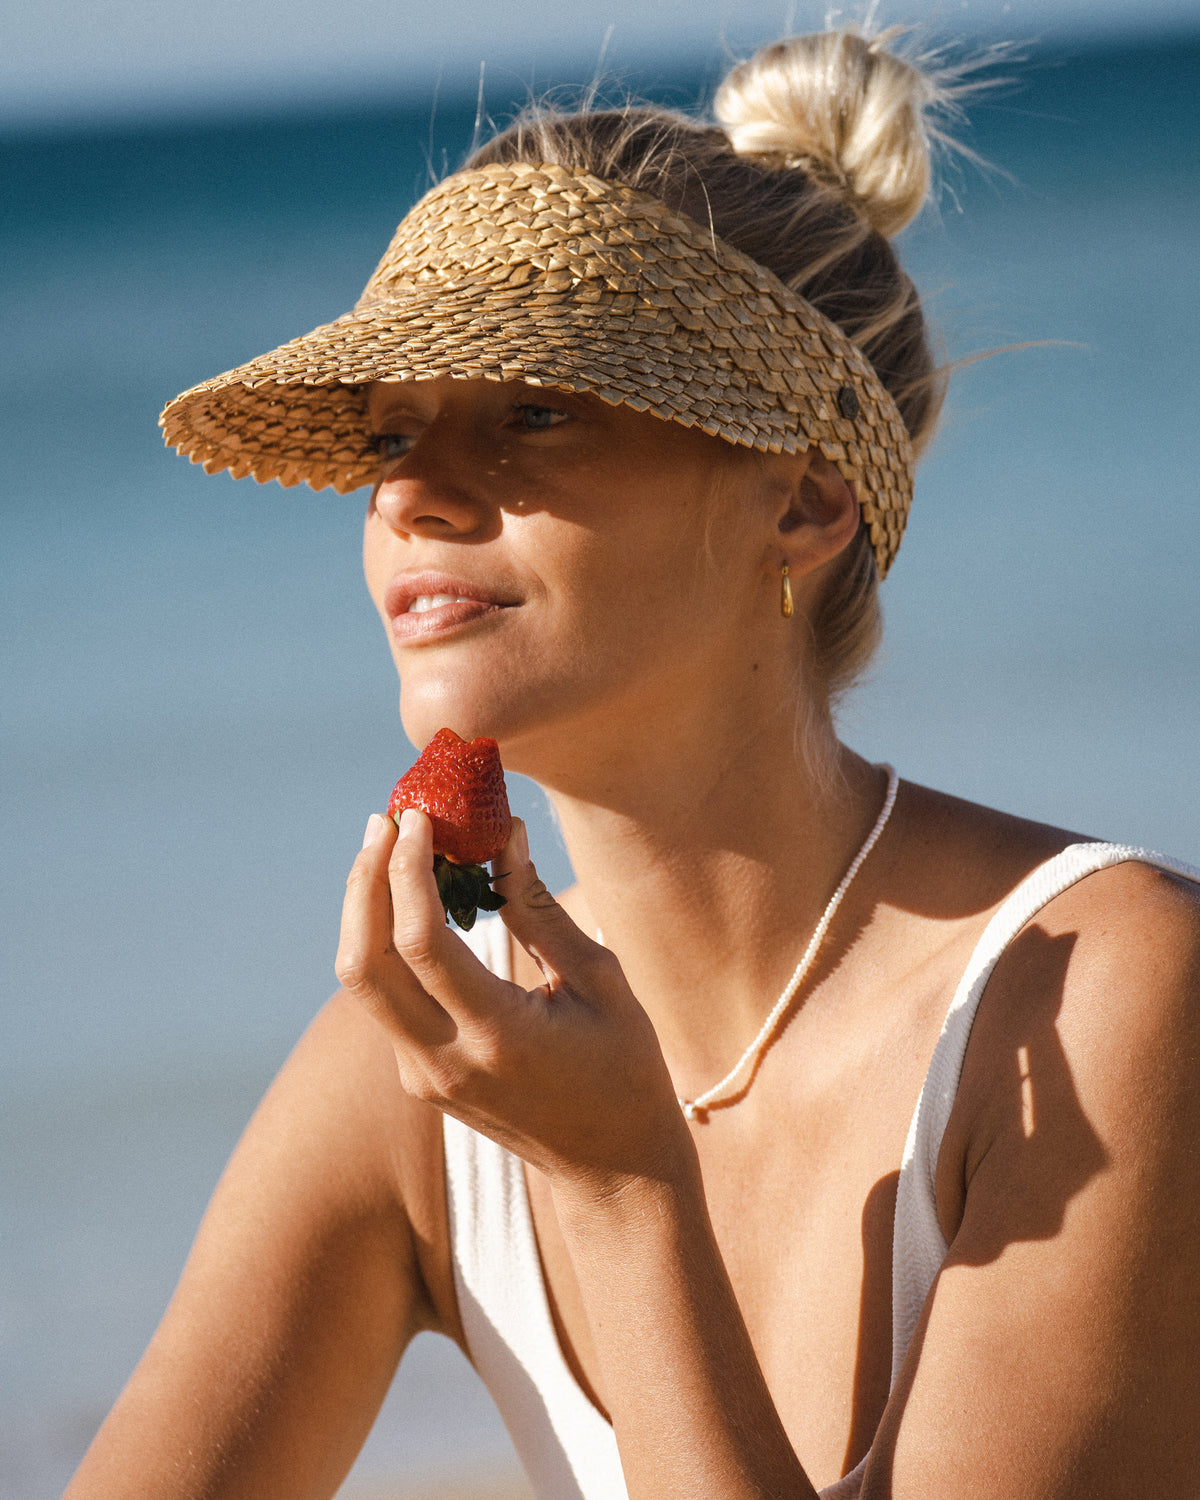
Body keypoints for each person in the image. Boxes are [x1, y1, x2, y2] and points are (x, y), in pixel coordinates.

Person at [66, 24, 1200, 1500]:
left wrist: (618, 1188)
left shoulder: (1109, 997)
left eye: (535, 410)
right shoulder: (423, 1067)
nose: (411, 491)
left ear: (800, 504)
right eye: (392, 434)